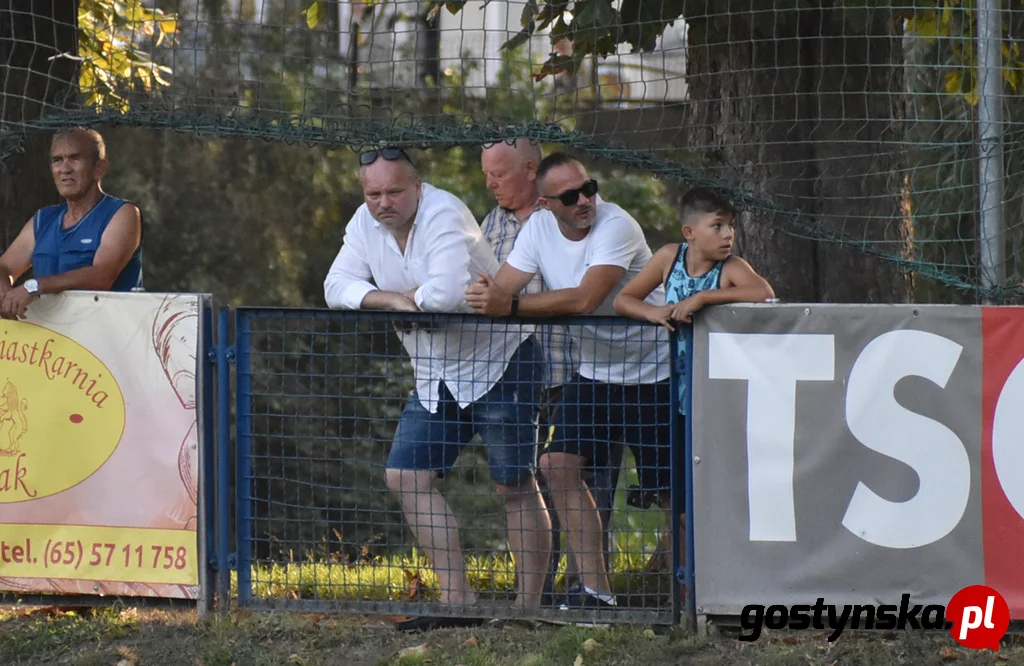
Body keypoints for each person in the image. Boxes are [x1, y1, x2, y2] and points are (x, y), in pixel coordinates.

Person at [323, 147, 552, 631]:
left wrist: (400, 303)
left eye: (394, 191)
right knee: (406, 477)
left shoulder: (444, 212)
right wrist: (390, 299)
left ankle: (527, 610)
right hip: (434, 373)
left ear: (418, 187)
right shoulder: (364, 223)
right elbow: (335, 284)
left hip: (501, 362)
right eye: (373, 193)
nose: (383, 202)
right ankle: (458, 603)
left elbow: (446, 294)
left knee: (513, 483)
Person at [466, 151, 671, 612]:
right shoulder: (536, 230)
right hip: (595, 372)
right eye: (571, 195)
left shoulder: (616, 224)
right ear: (544, 204)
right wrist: (482, 294)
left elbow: (584, 299)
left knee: (669, 491)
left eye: (589, 188)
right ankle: (596, 592)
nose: (585, 201)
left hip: (653, 372)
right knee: (556, 466)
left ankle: (691, 596)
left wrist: (510, 307)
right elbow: (502, 287)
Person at [478, 139, 619, 606]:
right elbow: (490, 293)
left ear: (530, 172)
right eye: (487, 175)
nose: (490, 183)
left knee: (593, 479)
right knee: (531, 480)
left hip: (580, 368)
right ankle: (538, 591)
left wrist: (510, 303)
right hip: (518, 376)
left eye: (498, 173)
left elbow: (581, 298)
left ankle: (589, 588)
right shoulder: (491, 225)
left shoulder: (605, 224)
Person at [613, 186, 775, 576]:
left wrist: (705, 299)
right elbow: (624, 300)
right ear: (689, 232)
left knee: (720, 488)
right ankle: (686, 588)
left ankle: (728, 577)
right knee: (680, 495)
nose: (727, 235)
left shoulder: (732, 269)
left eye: (730, 226)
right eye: (717, 226)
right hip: (677, 391)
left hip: (718, 395)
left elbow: (764, 292)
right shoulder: (670, 258)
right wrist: (655, 313)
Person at [0, 127, 143, 320]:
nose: (65, 169)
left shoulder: (122, 213)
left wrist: (34, 286)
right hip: (54, 345)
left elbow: (102, 275)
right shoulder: (43, 219)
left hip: (108, 342)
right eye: (57, 160)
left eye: (75, 158)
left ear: (99, 168)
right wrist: (4, 293)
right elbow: (5, 267)